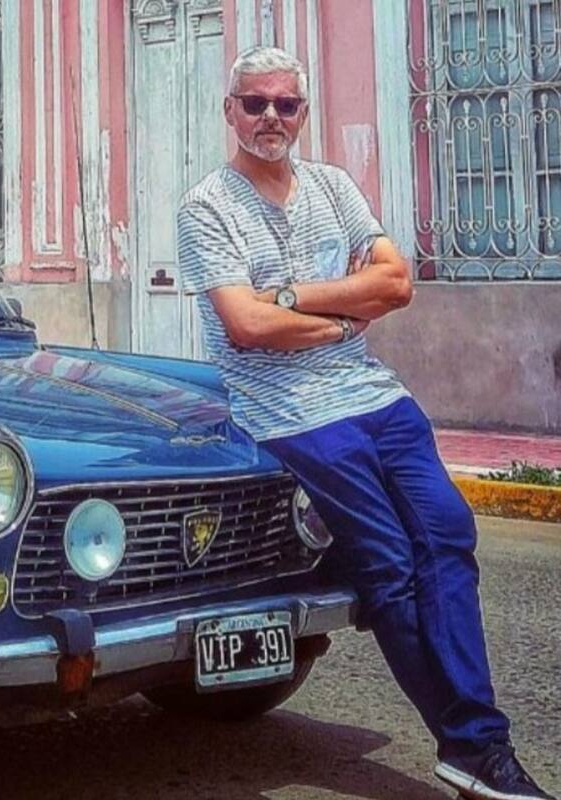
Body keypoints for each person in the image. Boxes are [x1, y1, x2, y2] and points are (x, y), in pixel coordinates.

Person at [176, 46, 555, 800]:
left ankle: (471, 743)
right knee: (388, 566)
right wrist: (339, 312)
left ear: (303, 113)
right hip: (293, 413)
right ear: (230, 111)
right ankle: (474, 745)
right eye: (256, 104)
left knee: (448, 537)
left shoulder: (333, 186)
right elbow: (245, 325)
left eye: (287, 104)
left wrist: (293, 297)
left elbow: (396, 283)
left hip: (377, 396)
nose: (271, 118)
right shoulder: (205, 209)